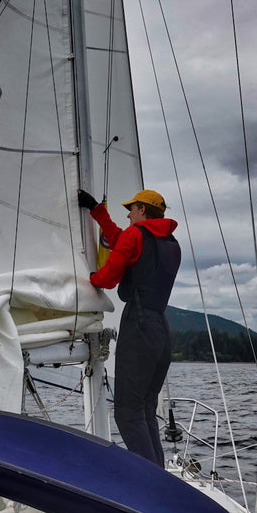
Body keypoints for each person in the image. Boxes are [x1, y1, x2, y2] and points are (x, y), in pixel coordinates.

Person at [78, 189, 181, 468]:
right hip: (161, 328)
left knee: (127, 413)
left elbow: (108, 279)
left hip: (139, 326)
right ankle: (160, 478)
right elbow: (121, 239)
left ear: (144, 210)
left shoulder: (137, 236)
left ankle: (150, 486)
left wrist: (88, 278)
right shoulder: (170, 243)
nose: (128, 213)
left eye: (132, 209)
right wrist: (97, 212)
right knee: (145, 410)